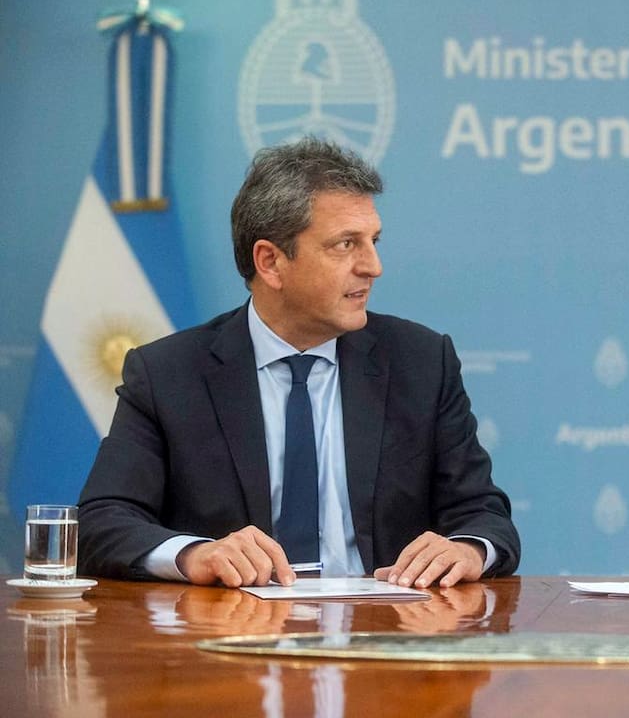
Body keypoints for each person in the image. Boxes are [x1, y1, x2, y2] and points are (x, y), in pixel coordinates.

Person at [78, 138, 520, 588]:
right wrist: (194, 554)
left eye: (373, 241)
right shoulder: (168, 374)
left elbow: (483, 515)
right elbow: (102, 522)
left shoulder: (421, 362)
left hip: (384, 622)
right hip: (231, 624)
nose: (373, 266)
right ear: (270, 262)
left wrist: (467, 549)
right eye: (345, 244)